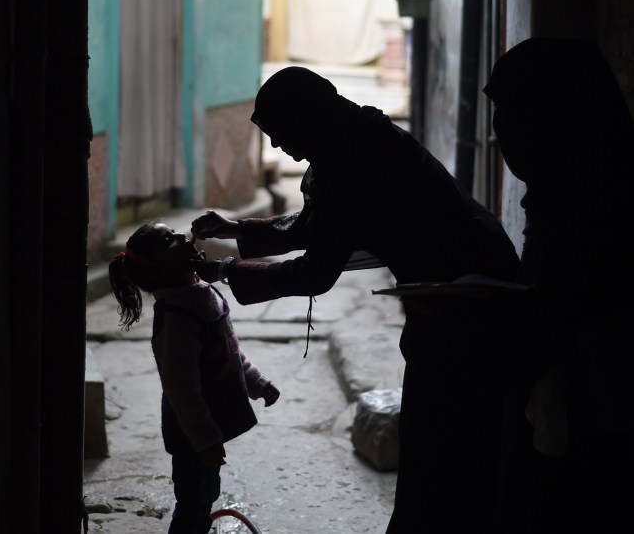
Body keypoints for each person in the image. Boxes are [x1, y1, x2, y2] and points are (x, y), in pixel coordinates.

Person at [189, 66, 521, 532]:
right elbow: (320, 226)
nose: (277, 147)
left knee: (445, 435)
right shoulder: (354, 136)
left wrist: (227, 270)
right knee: (442, 433)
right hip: (454, 295)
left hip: (471, 302)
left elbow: (316, 270)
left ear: (306, 118)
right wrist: (236, 230)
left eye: (279, 132)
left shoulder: (352, 159)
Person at [482, 37, 634, 533]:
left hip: (572, 399)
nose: (503, 137)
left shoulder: (571, 207)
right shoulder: (599, 181)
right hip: (593, 397)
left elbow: (554, 310)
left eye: (513, 117)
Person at [108, 222, 281, 534]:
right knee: (193, 501)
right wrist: (204, 439)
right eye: (167, 241)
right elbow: (181, 391)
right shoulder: (176, 320)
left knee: (205, 494)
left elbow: (229, 349)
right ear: (158, 272)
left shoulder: (200, 292)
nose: (178, 235)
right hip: (192, 433)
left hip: (206, 426)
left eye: (173, 232)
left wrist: (257, 382)